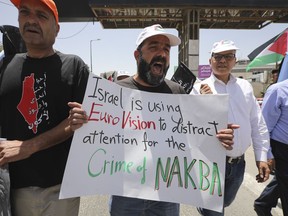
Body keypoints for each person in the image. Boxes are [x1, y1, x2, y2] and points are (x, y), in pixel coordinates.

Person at [68, 24, 238, 216]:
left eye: (166, 49)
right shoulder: (115, 91)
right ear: (137, 55)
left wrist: (217, 136)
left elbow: (193, 136)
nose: (162, 54)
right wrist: (81, 123)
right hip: (126, 194)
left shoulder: (177, 92)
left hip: (167, 192)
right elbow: (98, 136)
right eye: (153, 47)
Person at [0, 0, 89, 215]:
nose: (31, 20)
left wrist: (28, 146)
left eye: (41, 15)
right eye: (25, 12)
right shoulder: (4, 67)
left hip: (61, 189)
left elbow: (84, 124)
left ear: (57, 28)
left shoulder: (74, 67)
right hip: (15, 191)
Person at [196, 40, 271, 216]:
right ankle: (206, 205)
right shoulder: (199, 88)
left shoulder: (245, 87)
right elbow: (191, 128)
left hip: (238, 164)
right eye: (218, 56)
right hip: (211, 164)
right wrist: (204, 103)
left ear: (235, 61)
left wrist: (262, 156)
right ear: (210, 60)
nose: (223, 61)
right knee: (214, 211)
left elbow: (256, 121)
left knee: (226, 201)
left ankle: (204, 205)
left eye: (228, 56)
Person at [254, 78, 288, 216]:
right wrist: (266, 154)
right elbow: (264, 126)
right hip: (283, 150)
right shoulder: (278, 90)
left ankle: (263, 203)